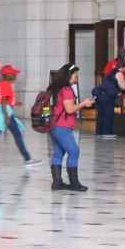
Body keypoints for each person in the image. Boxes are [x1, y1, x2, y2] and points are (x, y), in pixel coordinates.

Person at [47, 63, 94, 192]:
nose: (76, 79)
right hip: (62, 126)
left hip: (53, 125)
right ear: (68, 76)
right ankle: (74, 183)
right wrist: (84, 103)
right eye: (75, 76)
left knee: (58, 154)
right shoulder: (66, 90)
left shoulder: (54, 88)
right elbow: (70, 109)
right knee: (74, 152)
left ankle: (57, 182)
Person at [0, 65, 38, 169]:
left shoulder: (0, 84)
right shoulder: (6, 84)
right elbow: (3, 100)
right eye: (13, 73)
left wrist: (15, 103)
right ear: (7, 75)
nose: (15, 75)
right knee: (16, 135)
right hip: (5, 112)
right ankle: (28, 159)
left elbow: (1, 99)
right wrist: (7, 116)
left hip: (0, 111)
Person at [93, 61, 123, 139]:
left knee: (101, 113)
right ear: (123, 67)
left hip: (98, 93)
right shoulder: (118, 73)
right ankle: (106, 133)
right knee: (108, 113)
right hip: (106, 96)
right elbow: (123, 85)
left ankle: (99, 132)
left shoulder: (111, 72)